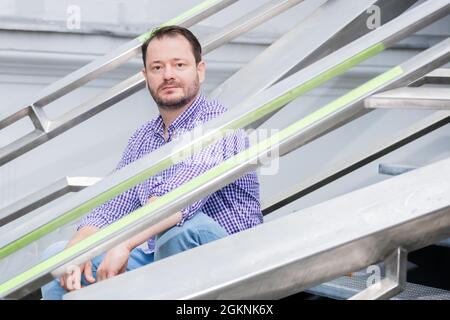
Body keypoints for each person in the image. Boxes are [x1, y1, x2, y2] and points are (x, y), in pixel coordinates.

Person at [41, 25, 263, 300]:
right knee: (60, 258)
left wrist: (124, 243)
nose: (168, 75)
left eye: (179, 64)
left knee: (181, 232)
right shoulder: (144, 138)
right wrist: (77, 249)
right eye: (157, 68)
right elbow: (112, 205)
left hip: (229, 257)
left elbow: (179, 199)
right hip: (153, 253)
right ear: (146, 77)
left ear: (200, 70)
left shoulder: (221, 125)